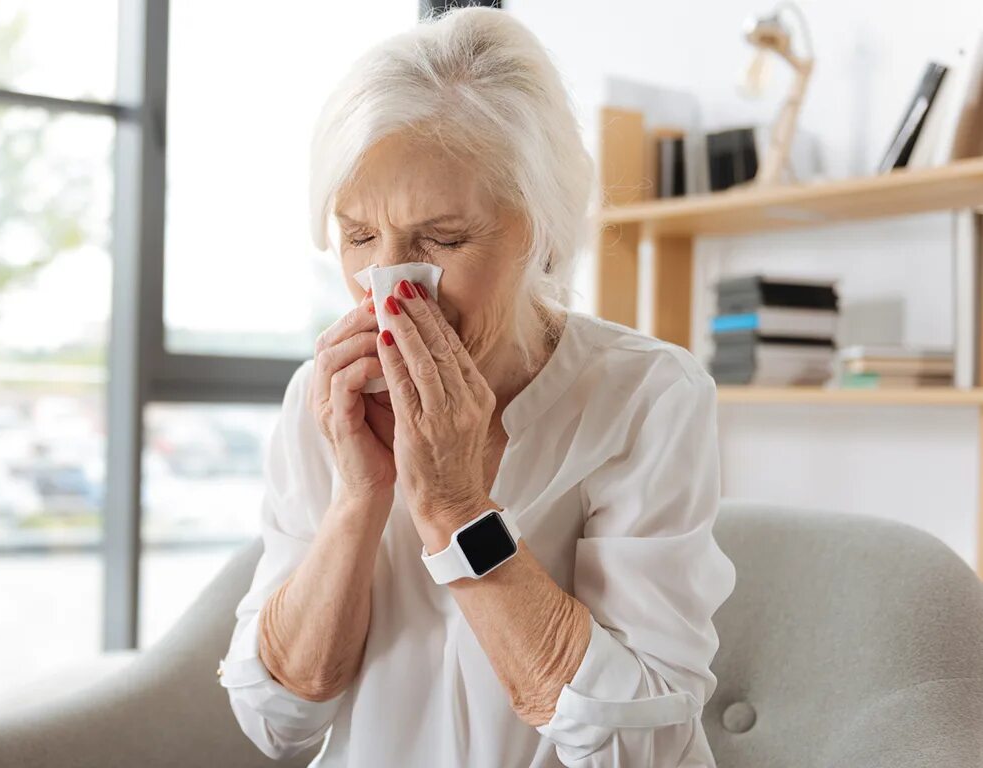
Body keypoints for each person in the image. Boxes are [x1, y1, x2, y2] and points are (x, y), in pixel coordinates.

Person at [217, 8, 736, 766]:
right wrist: (358, 501)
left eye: (443, 239)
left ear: (542, 230)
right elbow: (276, 722)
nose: (388, 288)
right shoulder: (322, 396)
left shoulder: (649, 396)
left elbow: (640, 746)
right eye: (359, 237)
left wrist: (458, 511)